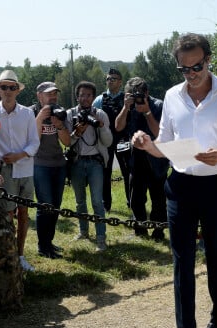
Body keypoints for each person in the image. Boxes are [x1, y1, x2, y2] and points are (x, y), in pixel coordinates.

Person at [131, 33, 217, 328]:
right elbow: (165, 144)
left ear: (209, 60)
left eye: (196, 66)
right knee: (182, 261)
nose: (191, 74)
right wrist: (146, 143)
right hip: (180, 186)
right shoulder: (172, 96)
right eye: (184, 69)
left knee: (216, 257)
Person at [0, 69, 40, 271]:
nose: (7, 91)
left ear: (17, 90)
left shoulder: (27, 113)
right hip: (4, 170)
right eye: (3, 87)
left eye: (12, 87)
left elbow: (34, 142)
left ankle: (20, 255)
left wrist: (20, 155)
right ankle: (7, 256)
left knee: (24, 213)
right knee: (7, 215)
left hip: (25, 169)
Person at [115, 77, 168, 240]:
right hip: (135, 158)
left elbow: (159, 133)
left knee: (158, 198)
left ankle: (158, 230)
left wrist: (146, 111)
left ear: (147, 93)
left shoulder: (158, 105)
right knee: (136, 198)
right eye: (131, 94)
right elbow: (118, 127)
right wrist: (125, 107)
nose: (136, 98)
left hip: (156, 157)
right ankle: (140, 228)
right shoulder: (128, 107)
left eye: (138, 94)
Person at [65, 81, 112, 252]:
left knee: (97, 202)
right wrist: (78, 131)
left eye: (88, 95)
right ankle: (83, 231)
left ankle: (101, 238)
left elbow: (108, 142)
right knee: (80, 201)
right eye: (82, 95)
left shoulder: (100, 114)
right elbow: (68, 141)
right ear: (77, 96)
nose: (85, 98)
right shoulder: (70, 115)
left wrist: (100, 126)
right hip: (77, 161)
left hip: (95, 162)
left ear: (93, 97)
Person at [30, 82, 71, 258]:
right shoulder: (30, 112)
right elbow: (32, 139)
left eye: (55, 93)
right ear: (39, 96)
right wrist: (40, 118)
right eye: (49, 94)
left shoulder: (61, 112)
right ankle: (42, 246)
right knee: (44, 205)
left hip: (58, 164)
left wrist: (60, 125)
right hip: (40, 164)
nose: (53, 97)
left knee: (55, 206)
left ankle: (49, 243)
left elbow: (67, 142)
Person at [93, 69, 131, 212]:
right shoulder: (99, 100)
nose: (110, 81)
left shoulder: (126, 99)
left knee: (127, 172)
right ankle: (106, 204)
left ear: (120, 82)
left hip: (123, 139)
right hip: (106, 139)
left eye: (114, 79)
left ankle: (130, 202)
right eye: (108, 79)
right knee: (105, 172)